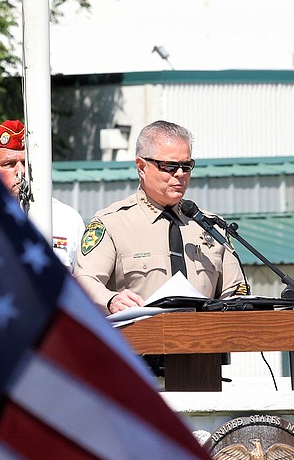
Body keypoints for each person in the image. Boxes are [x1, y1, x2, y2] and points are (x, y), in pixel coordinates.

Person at [73, 119, 248, 314]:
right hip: (139, 341)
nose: (180, 174)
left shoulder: (210, 226)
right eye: (169, 166)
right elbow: (84, 280)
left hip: (204, 340)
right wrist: (111, 300)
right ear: (141, 167)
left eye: (187, 166)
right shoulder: (112, 223)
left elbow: (235, 294)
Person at [0, 119, 86, 269]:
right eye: (9, 164)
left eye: (25, 162)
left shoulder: (67, 218)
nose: (21, 171)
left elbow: (83, 280)